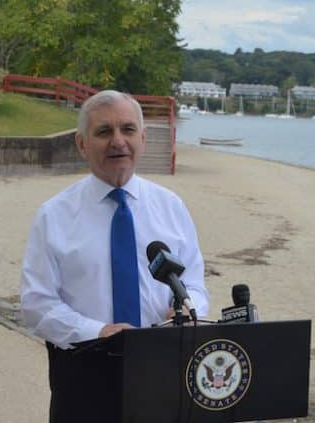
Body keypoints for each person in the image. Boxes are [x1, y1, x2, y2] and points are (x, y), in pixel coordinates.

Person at [20, 90, 209, 422]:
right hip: (84, 372)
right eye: (104, 132)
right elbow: (37, 304)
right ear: (82, 144)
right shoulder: (54, 216)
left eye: (128, 129)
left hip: (163, 368)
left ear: (143, 139)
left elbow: (195, 285)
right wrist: (98, 331)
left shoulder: (171, 207)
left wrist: (183, 311)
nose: (118, 141)